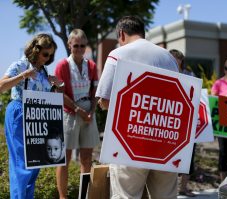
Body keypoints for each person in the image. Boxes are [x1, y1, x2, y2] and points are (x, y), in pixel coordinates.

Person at [96, 16, 179, 199]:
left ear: (121, 34)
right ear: (143, 32)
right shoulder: (168, 58)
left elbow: (105, 99)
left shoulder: (118, 54)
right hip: (166, 143)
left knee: (126, 195)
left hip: (130, 140)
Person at [0, 33, 59, 199]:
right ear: (35, 50)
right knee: (21, 164)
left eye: (51, 55)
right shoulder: (20, 64)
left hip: (38, 115)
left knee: (35, 164)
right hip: (19, 112)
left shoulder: (44, 71)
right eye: (45, 54)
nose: (48, 58)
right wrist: (22, 76)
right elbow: (1, 86)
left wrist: (55, 85)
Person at [54, 29, 100, 199]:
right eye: (76, 45)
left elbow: (96, 89)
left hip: (88, 113)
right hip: (70, 114)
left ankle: (83, 195)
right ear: (69, 45)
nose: (79, 49)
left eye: (82, 45)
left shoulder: (92, 65)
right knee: (64, 159)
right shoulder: (62, 65)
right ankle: (63, 197)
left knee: (86, 159)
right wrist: (78, 110)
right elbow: (60, 93)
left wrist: (92, 111)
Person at [169, 49, 196, 197]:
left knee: (188, 156)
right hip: (169, 123)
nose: (175, 64)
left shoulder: (190, 75)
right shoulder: (162, 73)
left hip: (187, 122)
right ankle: (170, 189)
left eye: (177, 61)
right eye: (172, 61)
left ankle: (183, 188)